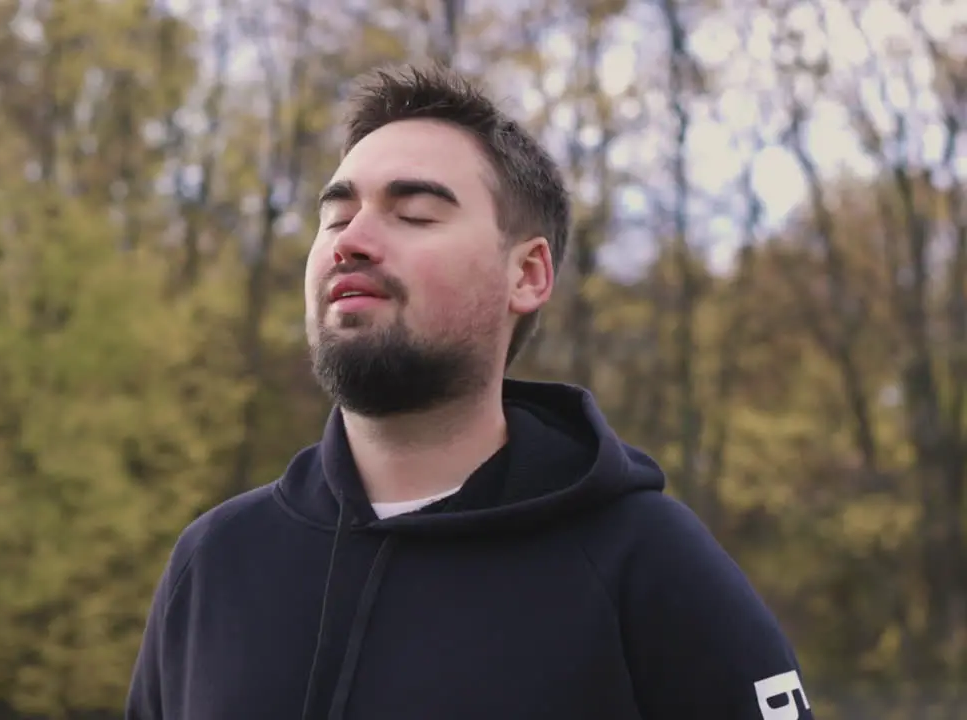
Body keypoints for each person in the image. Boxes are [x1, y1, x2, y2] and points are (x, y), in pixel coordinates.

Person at [124, 63, 813, 720]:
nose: (352, 240)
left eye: (414, 213)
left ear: (528, 275)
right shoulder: (216, 565)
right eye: (335, 217)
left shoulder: (646, 561)